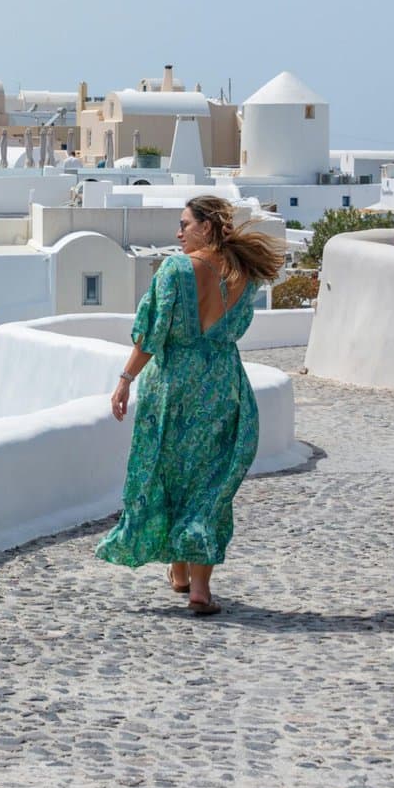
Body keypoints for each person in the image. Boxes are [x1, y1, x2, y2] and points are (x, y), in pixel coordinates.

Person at [94, 194, 286, 615]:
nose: (178, 233)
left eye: (185, 224)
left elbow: (152, 333)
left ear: (207, 225)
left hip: (174, 386)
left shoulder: (175, 270)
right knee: (207, 483)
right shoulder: (244, 275)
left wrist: (126, 379)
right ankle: (195, 585)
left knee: (168, 473)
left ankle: (181, 575)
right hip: (222, 386)